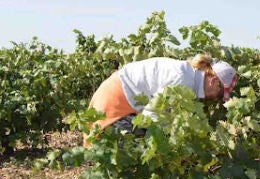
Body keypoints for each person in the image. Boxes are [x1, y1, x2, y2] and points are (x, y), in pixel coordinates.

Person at [84, 54, 237, 147]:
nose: (218, 97)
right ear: (213, 82)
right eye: (220, 92)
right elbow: (152, 116)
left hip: (124, 101)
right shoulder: (183, 81)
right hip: (115, 102)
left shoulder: (190, 79)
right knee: (138, 148)